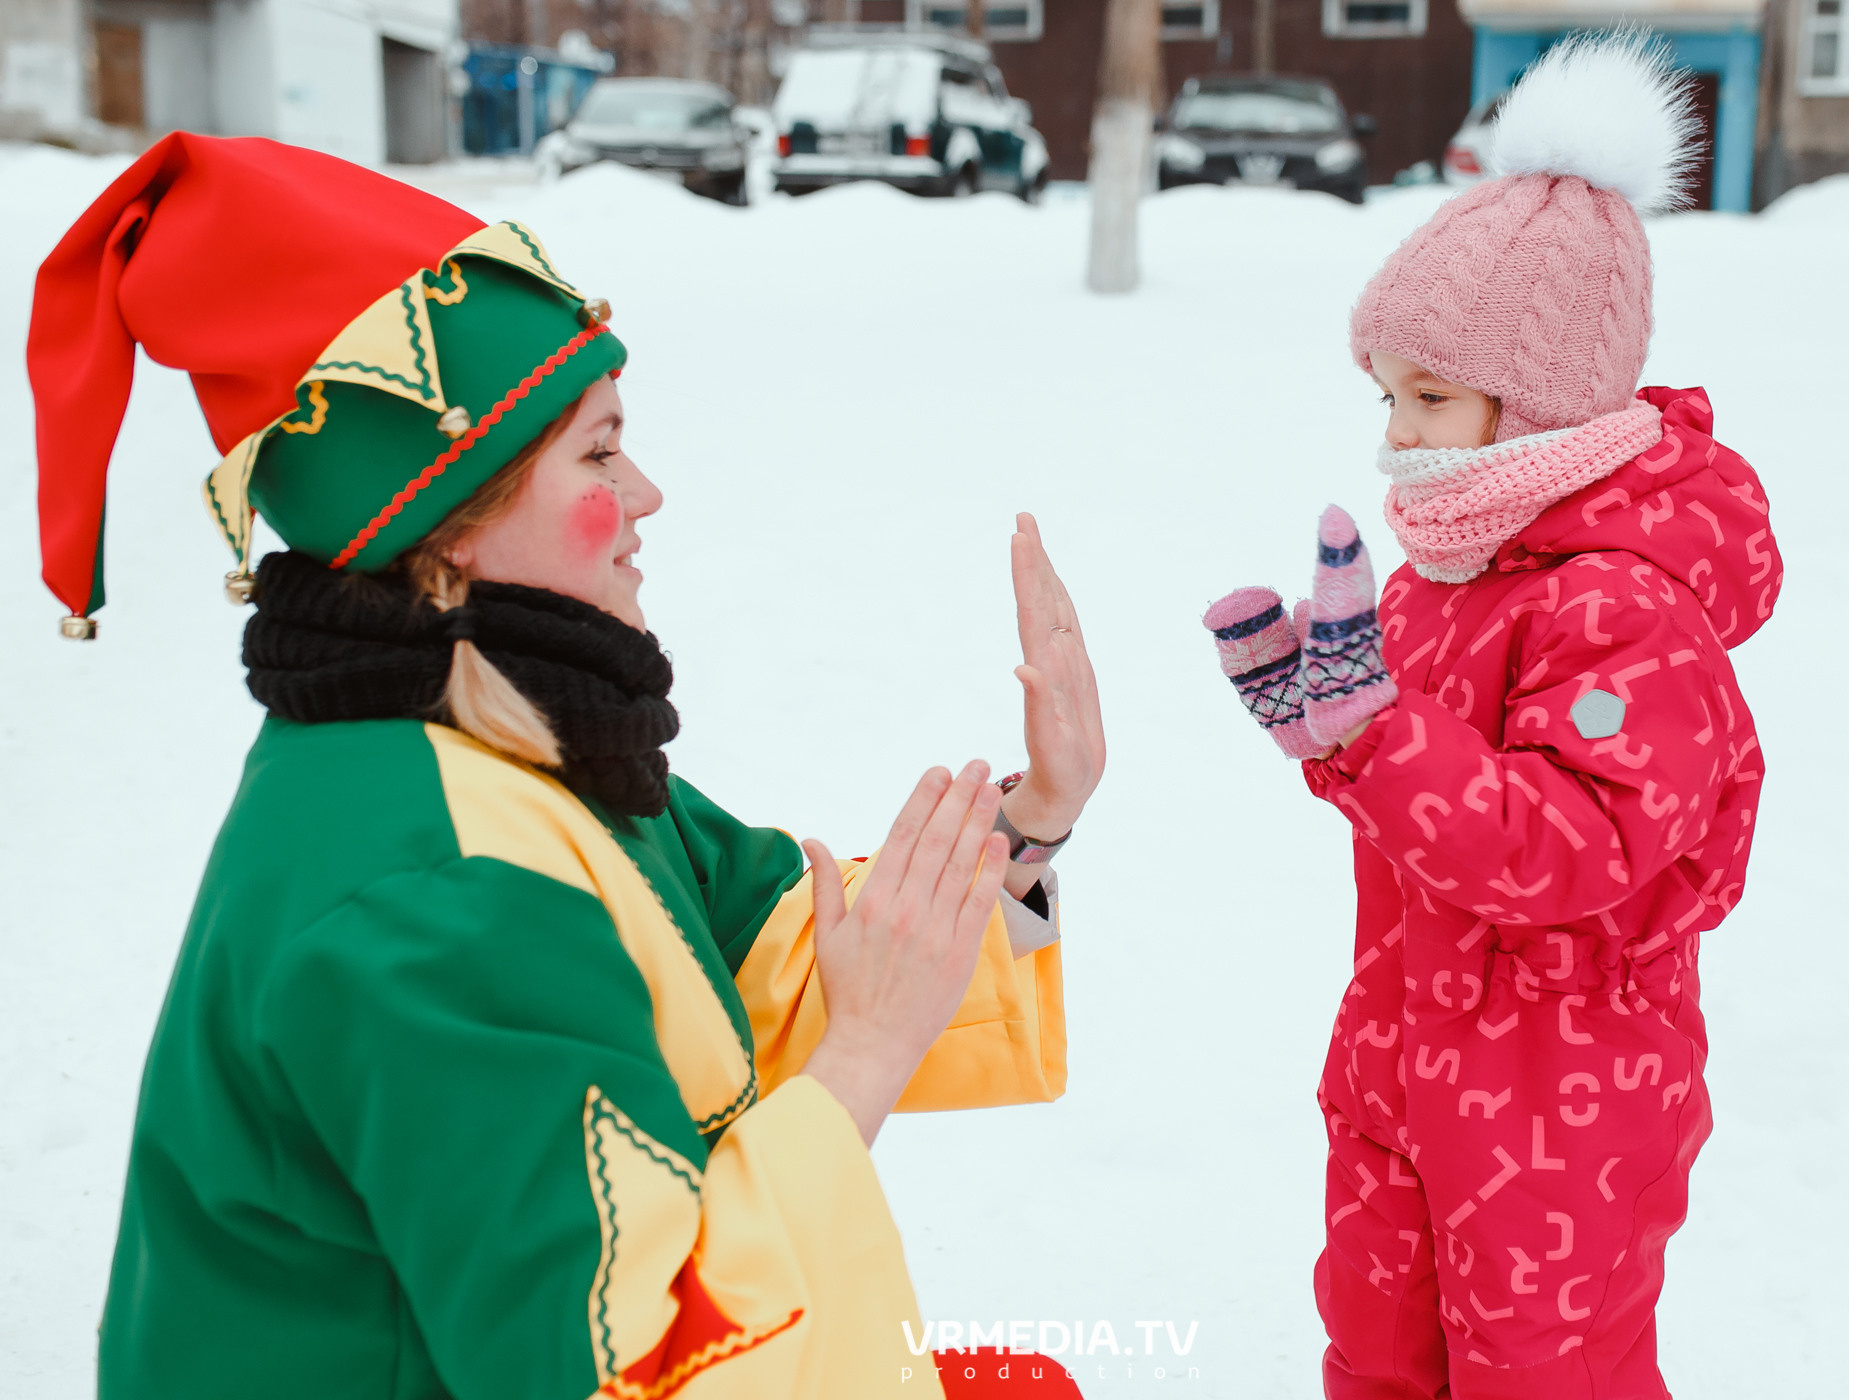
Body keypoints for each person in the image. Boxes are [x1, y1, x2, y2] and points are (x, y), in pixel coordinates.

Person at [29, 134, 1102, 1399]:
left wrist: (1028, 825)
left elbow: (757, 949)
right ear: (453, 525)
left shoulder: (509, 736)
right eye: (597, 453)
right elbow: (624, 1367)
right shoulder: (436, 893)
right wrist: (860, 1059)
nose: (647, 491)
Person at [1201, 36, 1782, 1399]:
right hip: (1403, 1056)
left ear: (1539, 407)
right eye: (1387, 394)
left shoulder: (1626, 610)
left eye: (1433, 399)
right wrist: (1330, 740)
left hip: (1560, 1100)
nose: (1398, 432)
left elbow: (1567, 850)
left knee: (1539, 1374)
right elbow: (1426, 816)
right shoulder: (1444, 575)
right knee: (1379, 1349)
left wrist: (1375, 736)